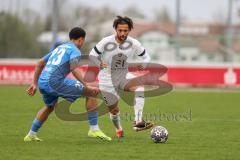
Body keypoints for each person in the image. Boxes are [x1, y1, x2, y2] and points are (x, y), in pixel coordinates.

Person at [24, 27, 111, 142]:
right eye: (83, 41)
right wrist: (86, 85)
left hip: (43, 82)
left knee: (49, 107)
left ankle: (30, 135)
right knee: (91, 92)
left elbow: (40, 63)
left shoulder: (60, 48)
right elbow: (74, 68)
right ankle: (94, 129)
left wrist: (34, 83)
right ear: (80, 40)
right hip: (55, 82)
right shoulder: (75, 50)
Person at [89, 16, 154, 138]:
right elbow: (92, 55)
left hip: (124, 75)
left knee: (139, 88)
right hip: (106, 79)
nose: (122, 33)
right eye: (120, 30)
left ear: (129, 30)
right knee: (114, 110)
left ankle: (138, 121)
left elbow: (147, 57)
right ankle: (118, 129)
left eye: (125, 30)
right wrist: (99, 63)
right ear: (115, 29)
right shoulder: (106, 41)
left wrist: (144, 64)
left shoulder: (134, 43)